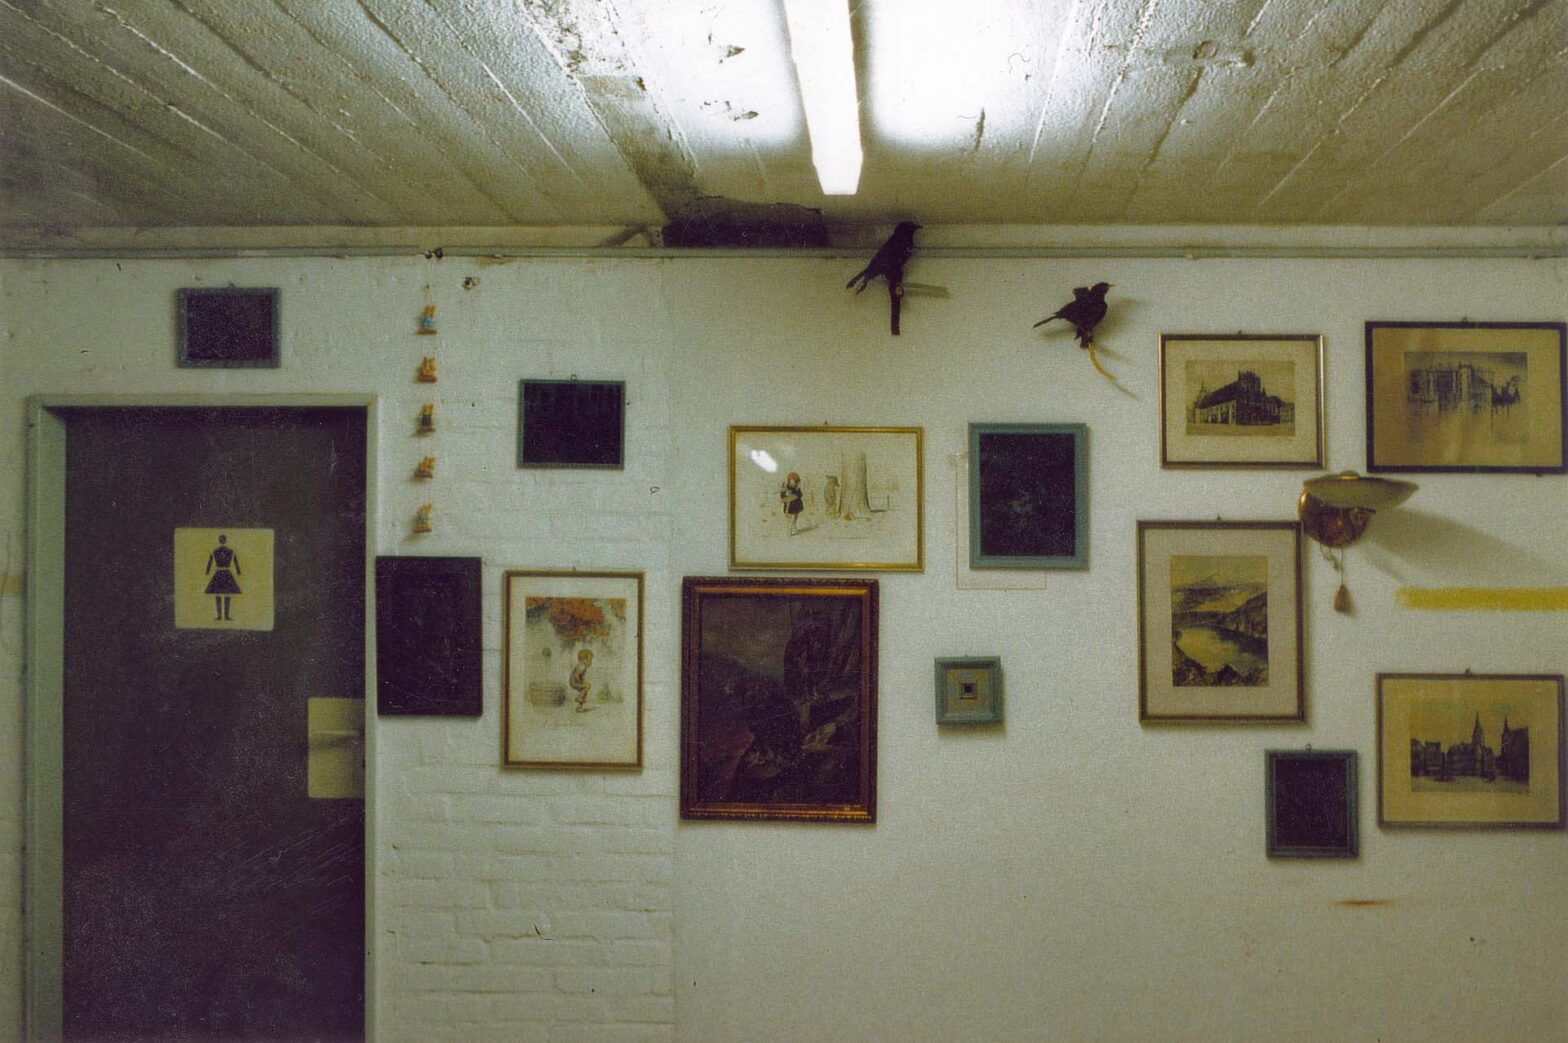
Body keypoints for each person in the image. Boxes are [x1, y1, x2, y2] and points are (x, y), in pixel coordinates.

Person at [203, 534, 242, 621]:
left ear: (219, 541)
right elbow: (236, 562)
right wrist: (238, 572)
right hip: (227, 573)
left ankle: (220, 616)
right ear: (225, 540)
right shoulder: (231, 551)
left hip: (218, 573)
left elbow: (209, 563)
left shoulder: (214, 551)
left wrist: (207, 572)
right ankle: (226, 616)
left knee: (218, 595)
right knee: (227, 594)